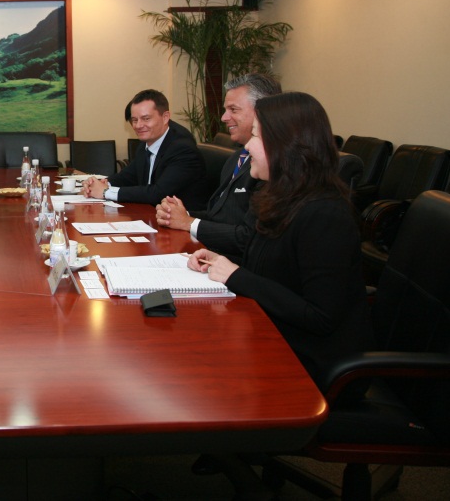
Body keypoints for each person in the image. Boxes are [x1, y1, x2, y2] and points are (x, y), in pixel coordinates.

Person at [187, 92, 371, 497]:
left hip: (319, 367)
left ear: (287, 147)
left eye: (257, 137)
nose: (247, 146)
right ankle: (224, 451)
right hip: (278, 338)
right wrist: (221, 261)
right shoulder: (278, 198)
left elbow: (321, 316)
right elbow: (267, 269)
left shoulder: (324, 213)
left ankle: (227, 453)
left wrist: (237, 276)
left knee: (194, 371)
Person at [155, 73, 281, 255]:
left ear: (263, 112)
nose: (223, 117)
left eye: (233, 109)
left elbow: (249, 237)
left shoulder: (270, 167)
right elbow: (218, 216)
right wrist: (180, 215)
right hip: (209, 254)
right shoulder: (236, 158)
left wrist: (188, 223)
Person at [82, 89, 209, 209]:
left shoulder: (182, 148)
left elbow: (158, 193)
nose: (138, 126)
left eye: (146, 119)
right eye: (134, 120)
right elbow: (129, 175)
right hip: (152, 213)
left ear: (165, 117)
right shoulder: (146, 142)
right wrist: (102, 183)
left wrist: (106, 192)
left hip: (181, 220)